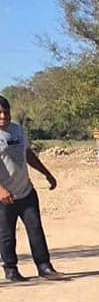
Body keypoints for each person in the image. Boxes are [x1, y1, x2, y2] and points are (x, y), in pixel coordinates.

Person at [0, 95, 66, 282]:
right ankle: (11, 269)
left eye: (6, 112)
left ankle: (45, 267)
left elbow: (27, 154)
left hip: (26, 191)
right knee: (6, 235)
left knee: (35, 229)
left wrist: (47, 173)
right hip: (4, 197)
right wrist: (1, 190)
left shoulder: (18, 131)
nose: (3, 116)